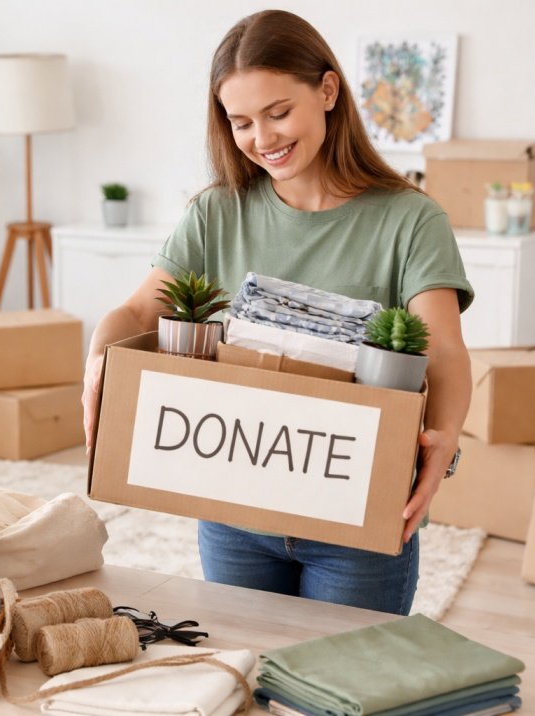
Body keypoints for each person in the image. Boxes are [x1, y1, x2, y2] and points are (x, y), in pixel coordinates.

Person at [81, 9, 473, 616]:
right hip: (234, 515)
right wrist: (97, 364)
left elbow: (443, 348)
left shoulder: (411, 219)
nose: (261, 139)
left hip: (358, 523)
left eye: (278, 112)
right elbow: (137, 312)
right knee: (242, 665)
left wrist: (444, 436)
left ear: (327, 90)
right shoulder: (216, 212)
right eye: (240, 122)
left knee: (341, 674)